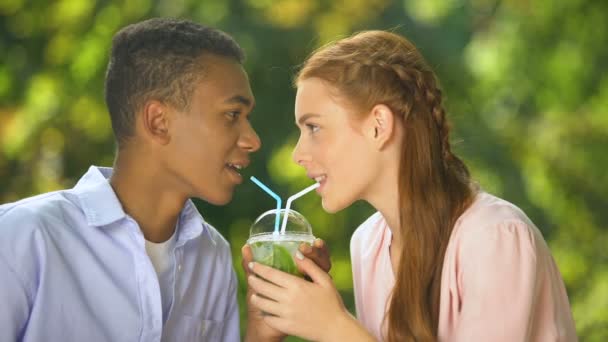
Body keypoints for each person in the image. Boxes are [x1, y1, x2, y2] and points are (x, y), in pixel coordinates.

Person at [0, 18, 329, 342]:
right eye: (232, 115)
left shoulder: (210, 255)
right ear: (158, 122)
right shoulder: (25, 237)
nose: (252, 139)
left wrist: (263, 333)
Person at [246, 30, 578, 341]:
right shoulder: (369, 246)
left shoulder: (495, 238)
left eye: (314, 128)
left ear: (378, 126)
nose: (298, 154)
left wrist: (335, 327)